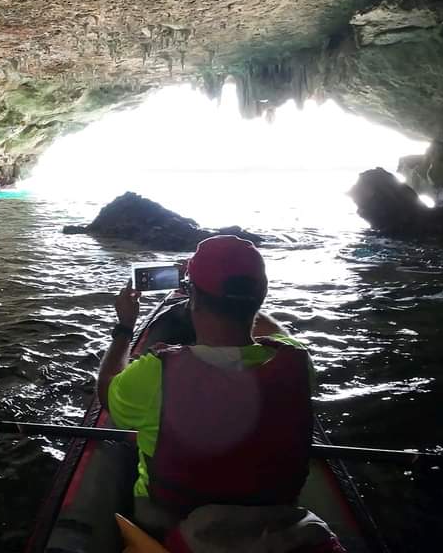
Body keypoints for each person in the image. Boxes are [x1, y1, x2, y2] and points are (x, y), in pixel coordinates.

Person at [97, 235, 333, 551]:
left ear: (192, 297)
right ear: (260, 296)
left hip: (171, 519)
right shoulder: (297, 362)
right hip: (272, 515)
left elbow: (106, 393)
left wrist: (125, 328)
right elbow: (280, 336)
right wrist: (237, 299)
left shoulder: (156, 371)